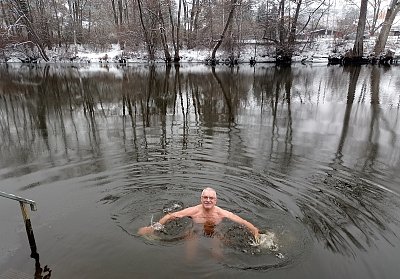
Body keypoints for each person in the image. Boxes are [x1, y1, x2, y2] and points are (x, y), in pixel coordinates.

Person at [138, 187, 260, 241]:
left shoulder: (222, 213)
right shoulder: (193, 210)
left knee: (217, 253)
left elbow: (242, 221)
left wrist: (255, 231)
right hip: (195, 230)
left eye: (211, 198)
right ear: (201, 199)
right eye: (205, 197)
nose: (208, 200)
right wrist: (153, 227)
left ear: (215, 201)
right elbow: (170, 216)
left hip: (216, 231)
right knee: (190, 256)